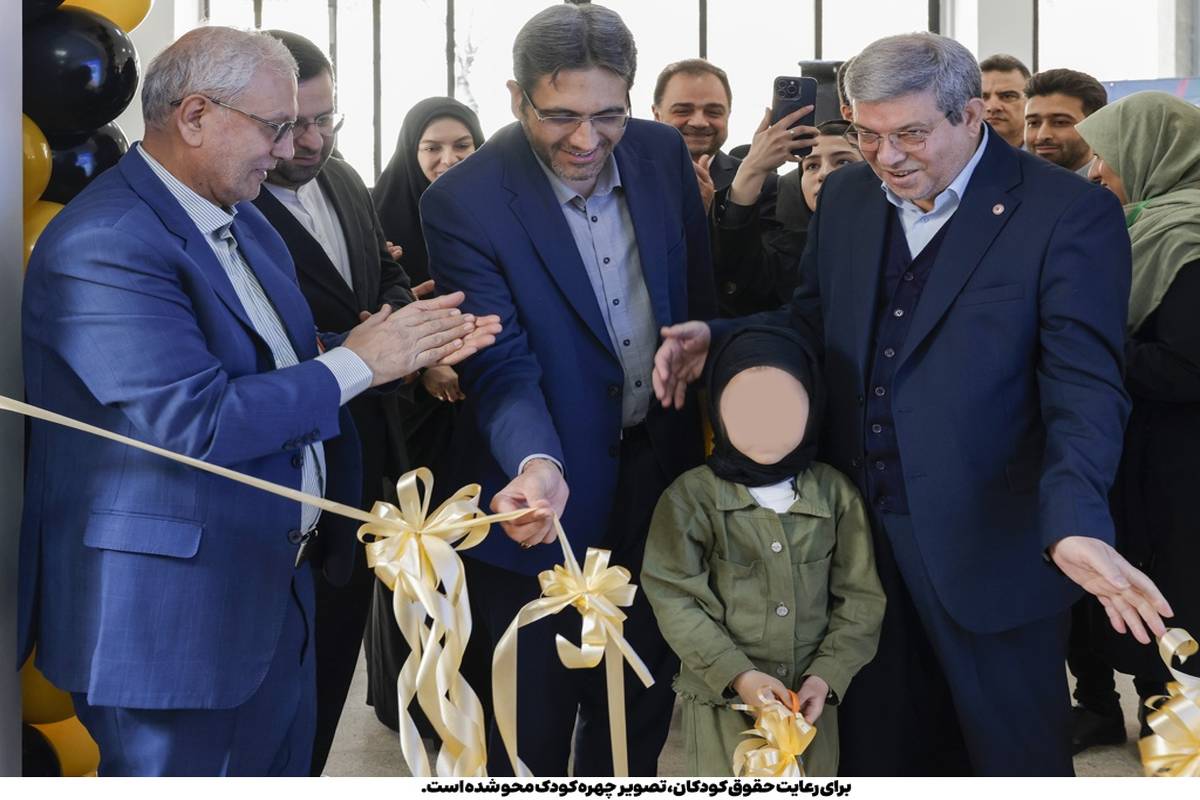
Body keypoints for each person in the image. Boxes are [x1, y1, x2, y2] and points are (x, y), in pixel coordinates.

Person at [651, 32, 1172, 776]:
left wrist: (1075, 521)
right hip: (855, 546)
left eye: (910, 134)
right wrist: (722, 337)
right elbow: (813, 321)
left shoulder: (1066, 212)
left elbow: (1084, 386)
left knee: (1012, 759)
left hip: (990, 545)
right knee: (877, 755)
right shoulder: (850, 198)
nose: (886, 156)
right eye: (867, 134)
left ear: (972, 115)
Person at [17, 26, 499, 776]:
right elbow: (196, 421)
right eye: (275, 126)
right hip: (173, 623)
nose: (289, 149)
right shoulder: (106, 240)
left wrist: (394, 347)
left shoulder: (241, 218)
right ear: (195, 116)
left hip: (275, 589)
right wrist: (358, 362)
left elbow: (279, 355)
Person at [419, 3, 716, 776]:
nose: (587, 139)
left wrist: (707, 342)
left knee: (638, 708)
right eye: (560, 116)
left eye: (608, 114)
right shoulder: (464, 201)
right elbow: (501, 364)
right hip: (537, 495)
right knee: (530, 731)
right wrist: (537, 463)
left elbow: (698, 295)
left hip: (659, 477)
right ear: (517, 98)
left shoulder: (660, 153)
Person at [247, 30, 416, 775]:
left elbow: (385, 277)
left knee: (335, 660)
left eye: (326, 119)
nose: (313, 141)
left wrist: (403, 327)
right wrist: (363, 350)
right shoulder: (233, 199)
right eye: (293, 124)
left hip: (367, 462)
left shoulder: (345, 180)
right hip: (283, 469)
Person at [642, 326, 885, 777]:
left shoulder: (836, 496)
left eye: (782, 406)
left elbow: (861, 598)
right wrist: (737, 674)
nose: (765, 421)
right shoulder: (690, 499)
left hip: (809, 709)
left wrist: (828, 675)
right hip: (721, 708)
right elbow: (674, 598)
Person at [1068, 91, 1200, 751]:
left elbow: (1185, 367)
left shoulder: (1186, 239)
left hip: (1179, 457)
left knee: (1174, 587)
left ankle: (1174, 732)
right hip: (1143, 448)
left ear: (1154, 155)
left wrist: (1087, 342)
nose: (1097, 172)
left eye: (1109, 157)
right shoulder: (1149, 226)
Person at [365, 96, 486, 734]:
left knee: (472, 556)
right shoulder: (377, 218)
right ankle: (410, 699)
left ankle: (473, 693)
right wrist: (426, 360)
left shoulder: (494, 210)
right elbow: (366, 317)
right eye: (432, 148)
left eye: (463, 146)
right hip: (410, 416)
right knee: (413, 552)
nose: (447, 159)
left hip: (481, 406)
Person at [651, 58, 812, 317]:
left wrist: (717, 211)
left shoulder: (765, 185)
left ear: (728, 115)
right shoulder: (627, 180)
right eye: (683, 110)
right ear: (656, 114)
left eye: (714, 112)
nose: (699, 121)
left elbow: (761, 289)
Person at [1024, 68, 1107, 176]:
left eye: (1060, 122)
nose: (1042, 135)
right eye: (1033, 123)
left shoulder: (1118, 185)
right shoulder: (1006, 183)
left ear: (1095, 126)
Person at [980, 53, 1030, 148]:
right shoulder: (955, 155)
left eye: (1007, 96)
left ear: (1029, 102)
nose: (992, 107)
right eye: (982, 97)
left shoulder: (1050, 154)